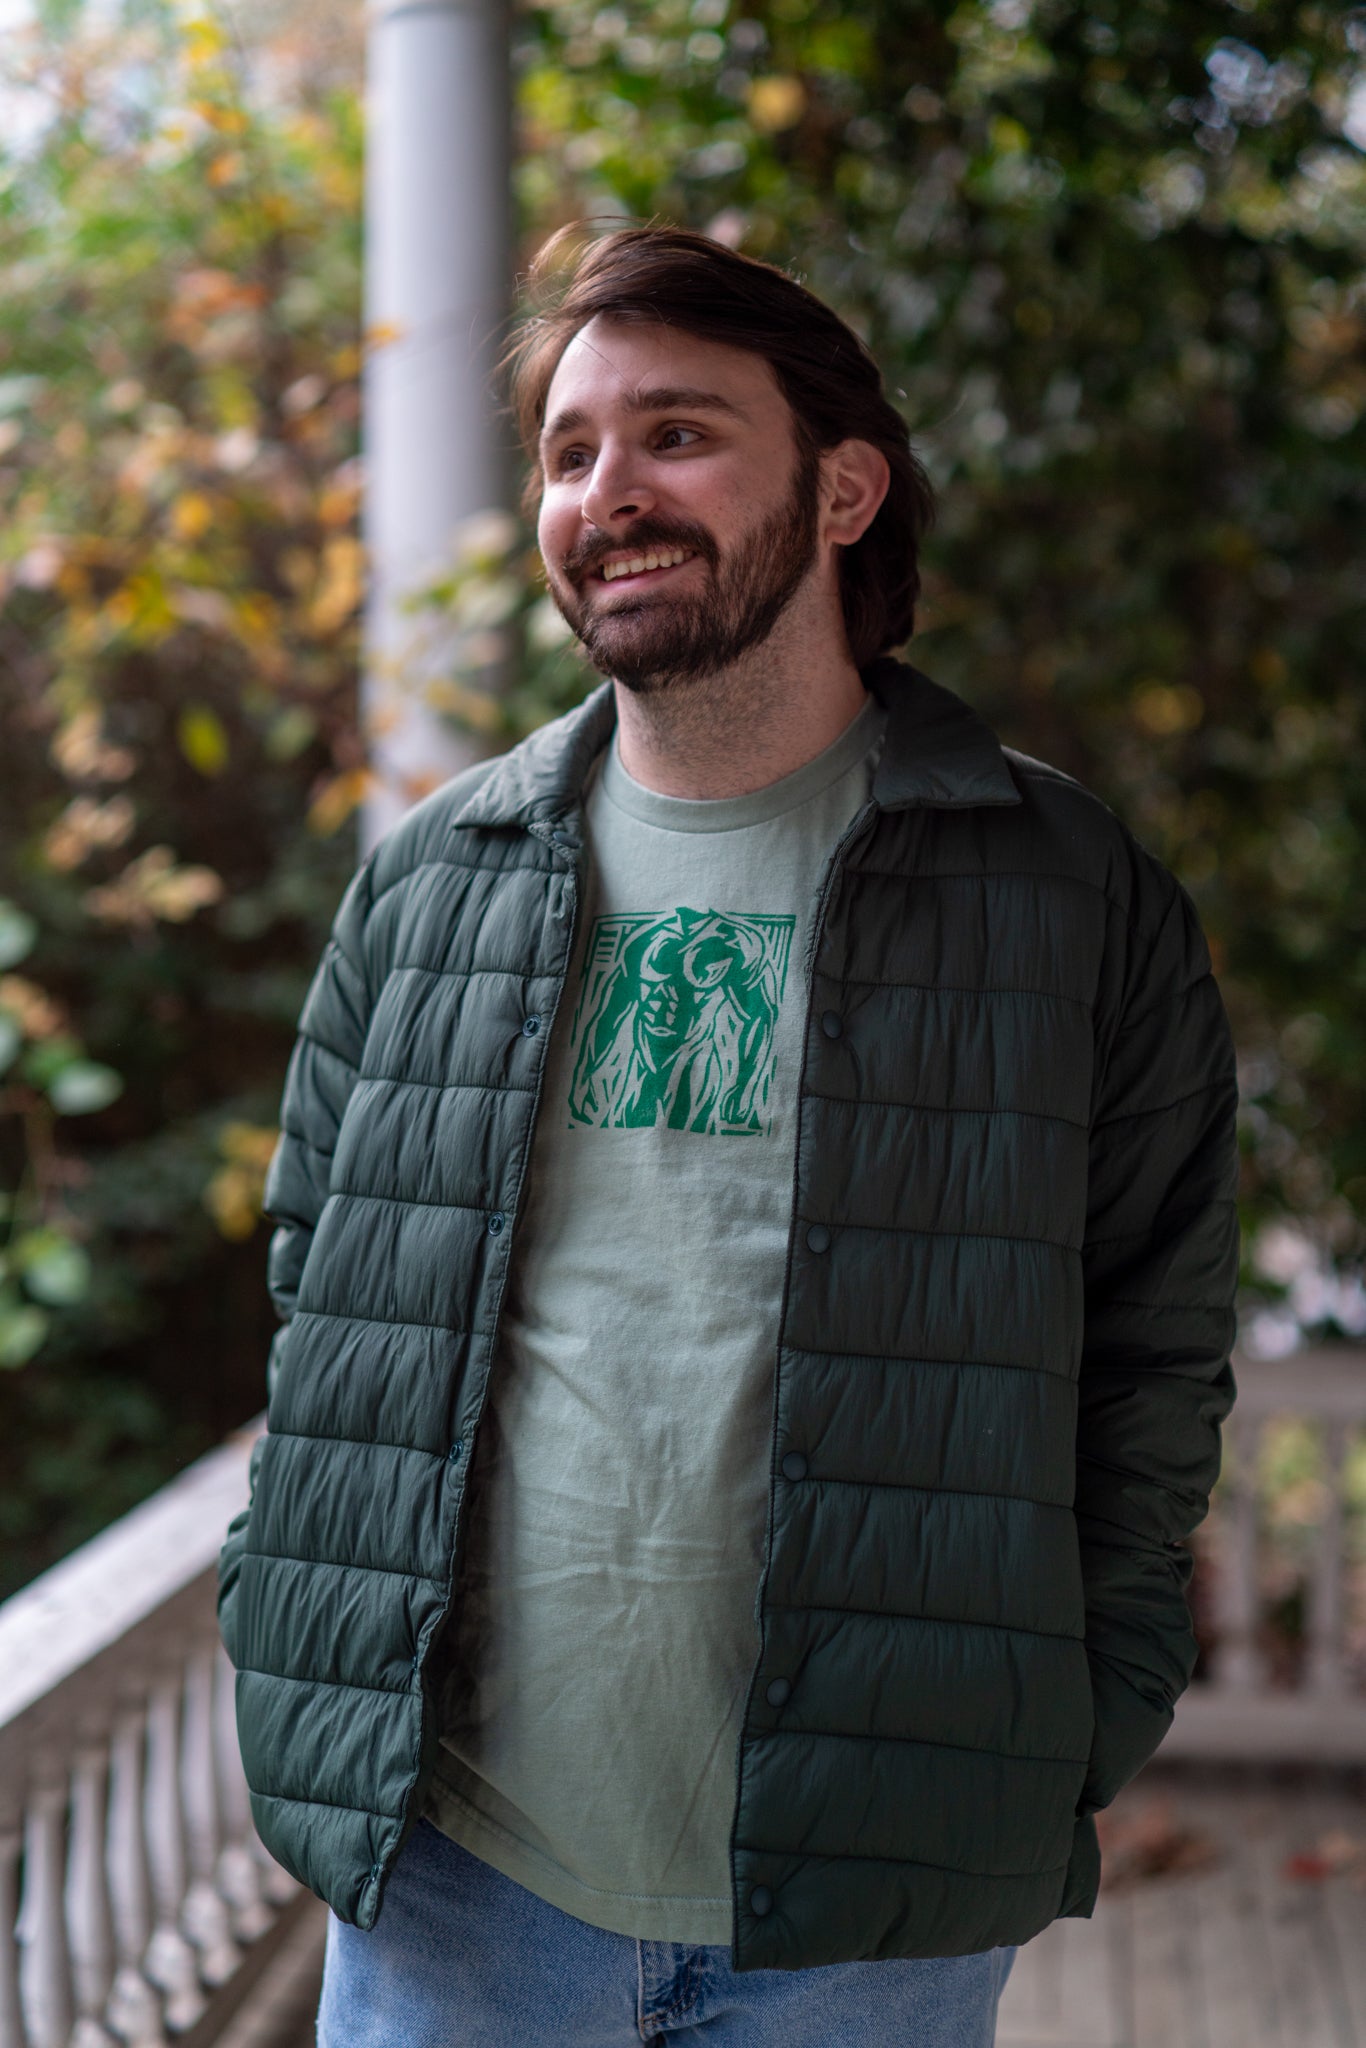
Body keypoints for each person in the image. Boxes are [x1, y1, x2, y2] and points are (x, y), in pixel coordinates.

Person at [217, 224, 1240, 2047]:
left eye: (677, 433)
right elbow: (321, 1300)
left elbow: (1152, 1348)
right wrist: (296, 1648)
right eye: (568, 450)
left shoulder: (1067, 893)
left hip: (872, 1896)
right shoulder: (432, 885)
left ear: (844, 490)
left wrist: (1089, 1714)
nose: (609, 493)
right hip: (463, 1872)